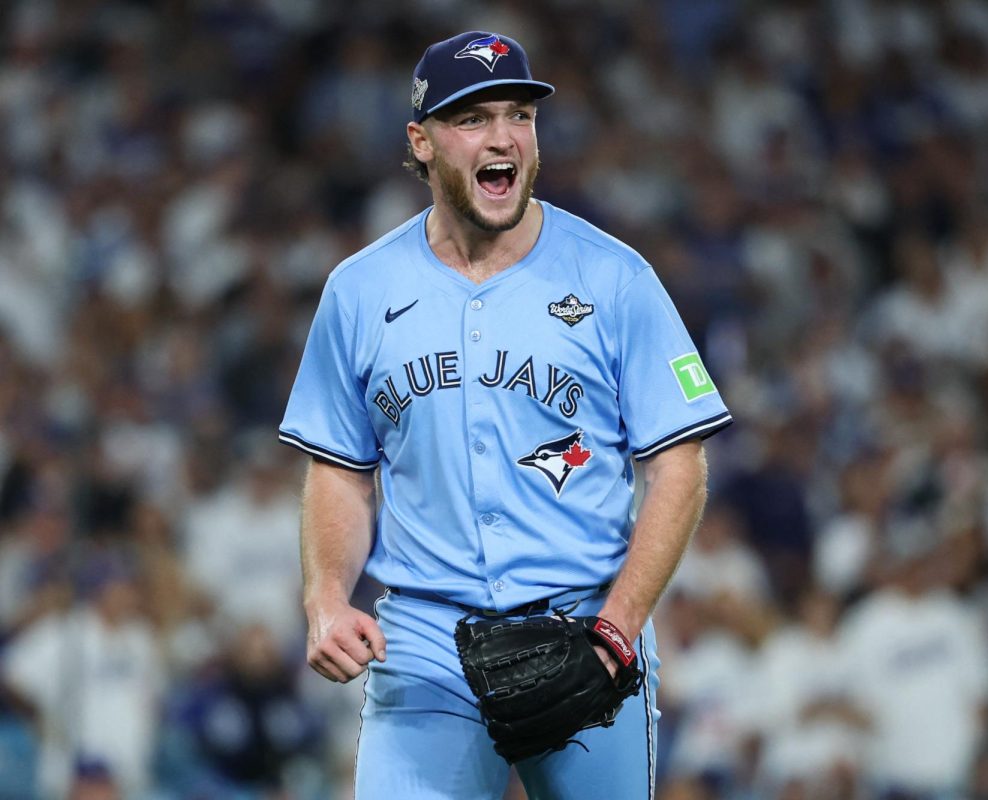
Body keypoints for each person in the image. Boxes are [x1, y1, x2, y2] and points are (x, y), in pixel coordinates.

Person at [277, 30, 732, 800]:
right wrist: (325, 598)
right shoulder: (358, 291)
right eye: (473, 118)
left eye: (519, 115)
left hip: (588, 633)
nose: (503, 137)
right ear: (421, 143)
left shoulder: (615, 278)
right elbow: (341, 473)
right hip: (425, 646)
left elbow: (679, 468)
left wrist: (618, 629)